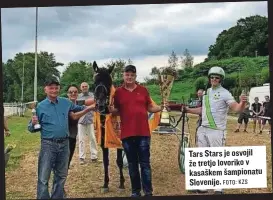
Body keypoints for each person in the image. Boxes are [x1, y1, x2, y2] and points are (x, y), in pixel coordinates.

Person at [182, 66, 247, 195]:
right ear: (209, 78)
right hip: (203, 129)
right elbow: (202, 110)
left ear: (221, 79)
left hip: (217, 130)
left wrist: (242, 103)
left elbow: (236, 109)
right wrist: (188, 110)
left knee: (217, 158)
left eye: (217, 77)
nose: (214, 79)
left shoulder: (225, 93)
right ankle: (203, 186)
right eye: (212, 77)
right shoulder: (206, 93)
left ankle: (218, 188)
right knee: (203, 158)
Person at [27, 78, 96, 199]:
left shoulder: (66, 102)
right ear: (46, 90)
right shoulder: (40, 107)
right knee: (43, 177)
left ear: (59, 89)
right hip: (48, 144)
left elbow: (79, 108)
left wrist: (92, 107)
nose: (54, 90)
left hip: (65, 144)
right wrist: (33, 123)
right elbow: (32, 129)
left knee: (61, 175)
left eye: (56, 88)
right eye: (51, 88)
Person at [108, 65, 164, 197]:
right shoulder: (118, 92)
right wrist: (111, 110)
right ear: (123, 76)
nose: (129, 77)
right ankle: (135, 191)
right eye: (127, 74)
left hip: (143, 133)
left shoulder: (143, 90)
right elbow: (116, 110)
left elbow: (150, 107)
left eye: (132, 75)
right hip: (127, 134)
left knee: (145, 164)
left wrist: (162, 107)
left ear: (135, 76)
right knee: (132, 165)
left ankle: (148, 191)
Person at [77, 82, 98, 164]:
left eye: (86, 86)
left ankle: (94, 156)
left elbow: (96, 106)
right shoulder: (78, 97)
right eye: (83, 86)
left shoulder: (93, 96)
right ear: (80, 88)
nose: (84, 87)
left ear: (88, 87)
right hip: (81, 120)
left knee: (92, 138)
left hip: (90, 120)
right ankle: (81, 157)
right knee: (81, 139)